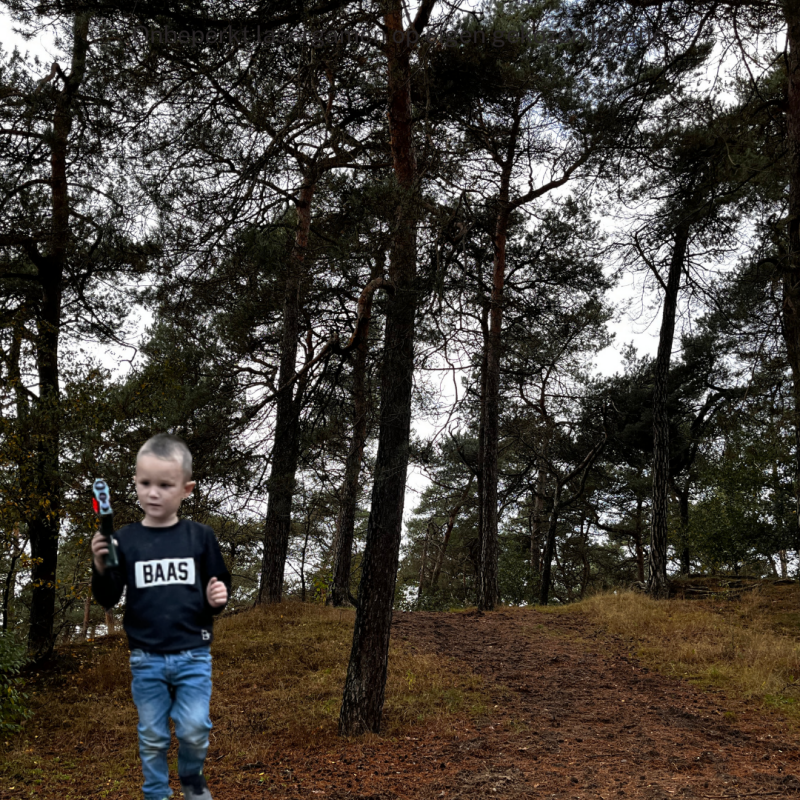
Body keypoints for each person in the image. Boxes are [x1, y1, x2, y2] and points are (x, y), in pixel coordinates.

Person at [91, 433, 231, 800]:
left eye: (165, 485)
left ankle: (191, 778)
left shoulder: (200, 537)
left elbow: (219, 583)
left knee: (195, 727)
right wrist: (101, 566)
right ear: (135, 483)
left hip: (193, 654)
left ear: (186, 489)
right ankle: (155, 792)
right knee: (152, 734)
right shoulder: (124, 540)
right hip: (146, 658)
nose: (153, 493)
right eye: (145, 483)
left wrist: (216, 598)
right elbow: (108, 597)